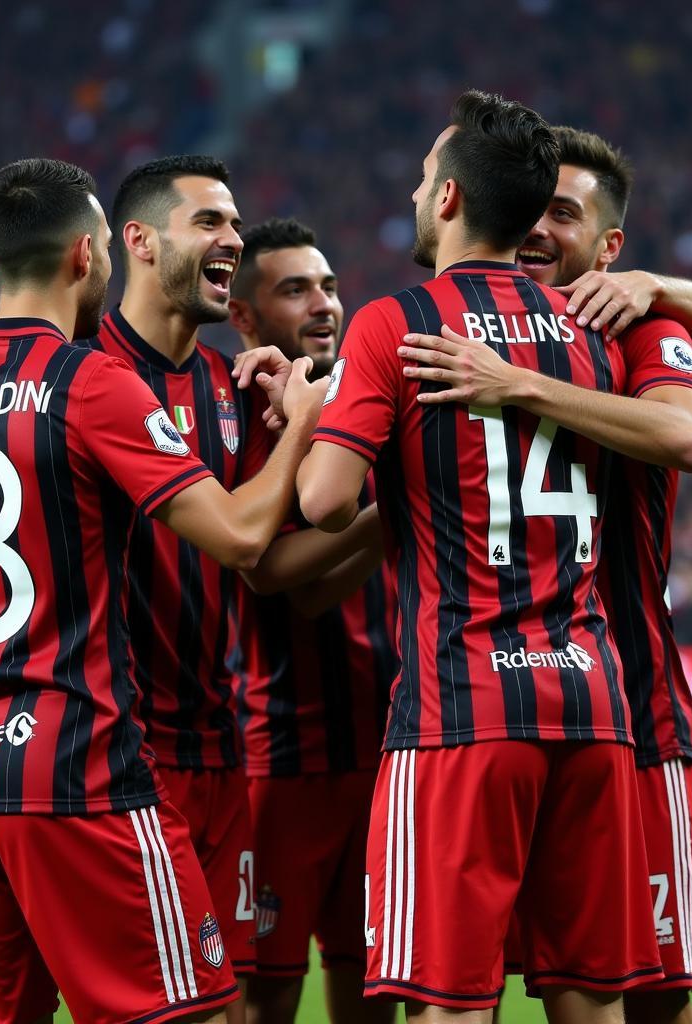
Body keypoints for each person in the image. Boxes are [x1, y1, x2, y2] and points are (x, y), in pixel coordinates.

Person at [0, 156, 325, 1024]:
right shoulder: (91, 379)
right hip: (90, 763)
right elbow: (237, 536)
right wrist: (304, 428)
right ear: (95, 255)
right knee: (204, 1013)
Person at [293, 89, 667, 1024]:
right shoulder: (595, 335)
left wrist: (320, 417)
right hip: (591, 697)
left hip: (466, 702)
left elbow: (324, 501)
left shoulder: (398, 321)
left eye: (425, 178)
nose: (417, 191)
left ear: (452, 197)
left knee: (450, 1004)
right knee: (593, 1001)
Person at [398, 125, 692, 1024]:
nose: (537, 230)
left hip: (632, 715)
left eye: (565, 216)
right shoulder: (462, 334)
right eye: (532, 209)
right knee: (466, 992)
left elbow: (684, 435)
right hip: (495, 706)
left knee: (647, 1000)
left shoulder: (636, 324)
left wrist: (525, 380)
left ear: (612, 249)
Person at [228, 217, 397, 1024]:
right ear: (246, 317)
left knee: (370, 988)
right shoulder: (246, 419)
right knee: (267, 995)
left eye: (328, 285)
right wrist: (396, 511)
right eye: (296, 289)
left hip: (385, 751)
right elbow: (284, 585)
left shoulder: (367, 402)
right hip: (281, 756)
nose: (324, 303)